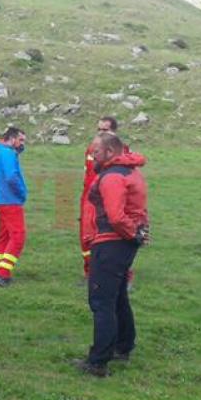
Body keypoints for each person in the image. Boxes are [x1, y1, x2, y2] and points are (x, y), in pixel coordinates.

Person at [77, 133, 149, 377]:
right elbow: (137, 209)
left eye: (95, 152)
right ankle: (123, 345)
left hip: (111, 243)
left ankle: (98, 361)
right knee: (117, 296)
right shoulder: (129, 172)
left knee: (101, 302)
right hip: (120, 243)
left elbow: (116, 216)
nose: (92, 156)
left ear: (109, 151)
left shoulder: (113, 177)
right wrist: (138, 232)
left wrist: (133, 233)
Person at [79, 117, 128, 279]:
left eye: (105, 130)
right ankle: (90, 274)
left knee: (111, 237)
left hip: (108, 199)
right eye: (99, 129)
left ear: (114, 131)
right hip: (89, 198)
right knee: (87, 237)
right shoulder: (91, 149)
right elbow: (88, 175)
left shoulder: (122, 151)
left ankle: (122, 277)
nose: (101, 133)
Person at [0, 127, 27, 286]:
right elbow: (11, 177)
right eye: (21, 140)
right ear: (11, 139)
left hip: (1, 200)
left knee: (4, 236)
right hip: (11, 201)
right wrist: (22, 193)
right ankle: (3, 273)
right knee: (18, 236)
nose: (22, 144)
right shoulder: (8, 153)